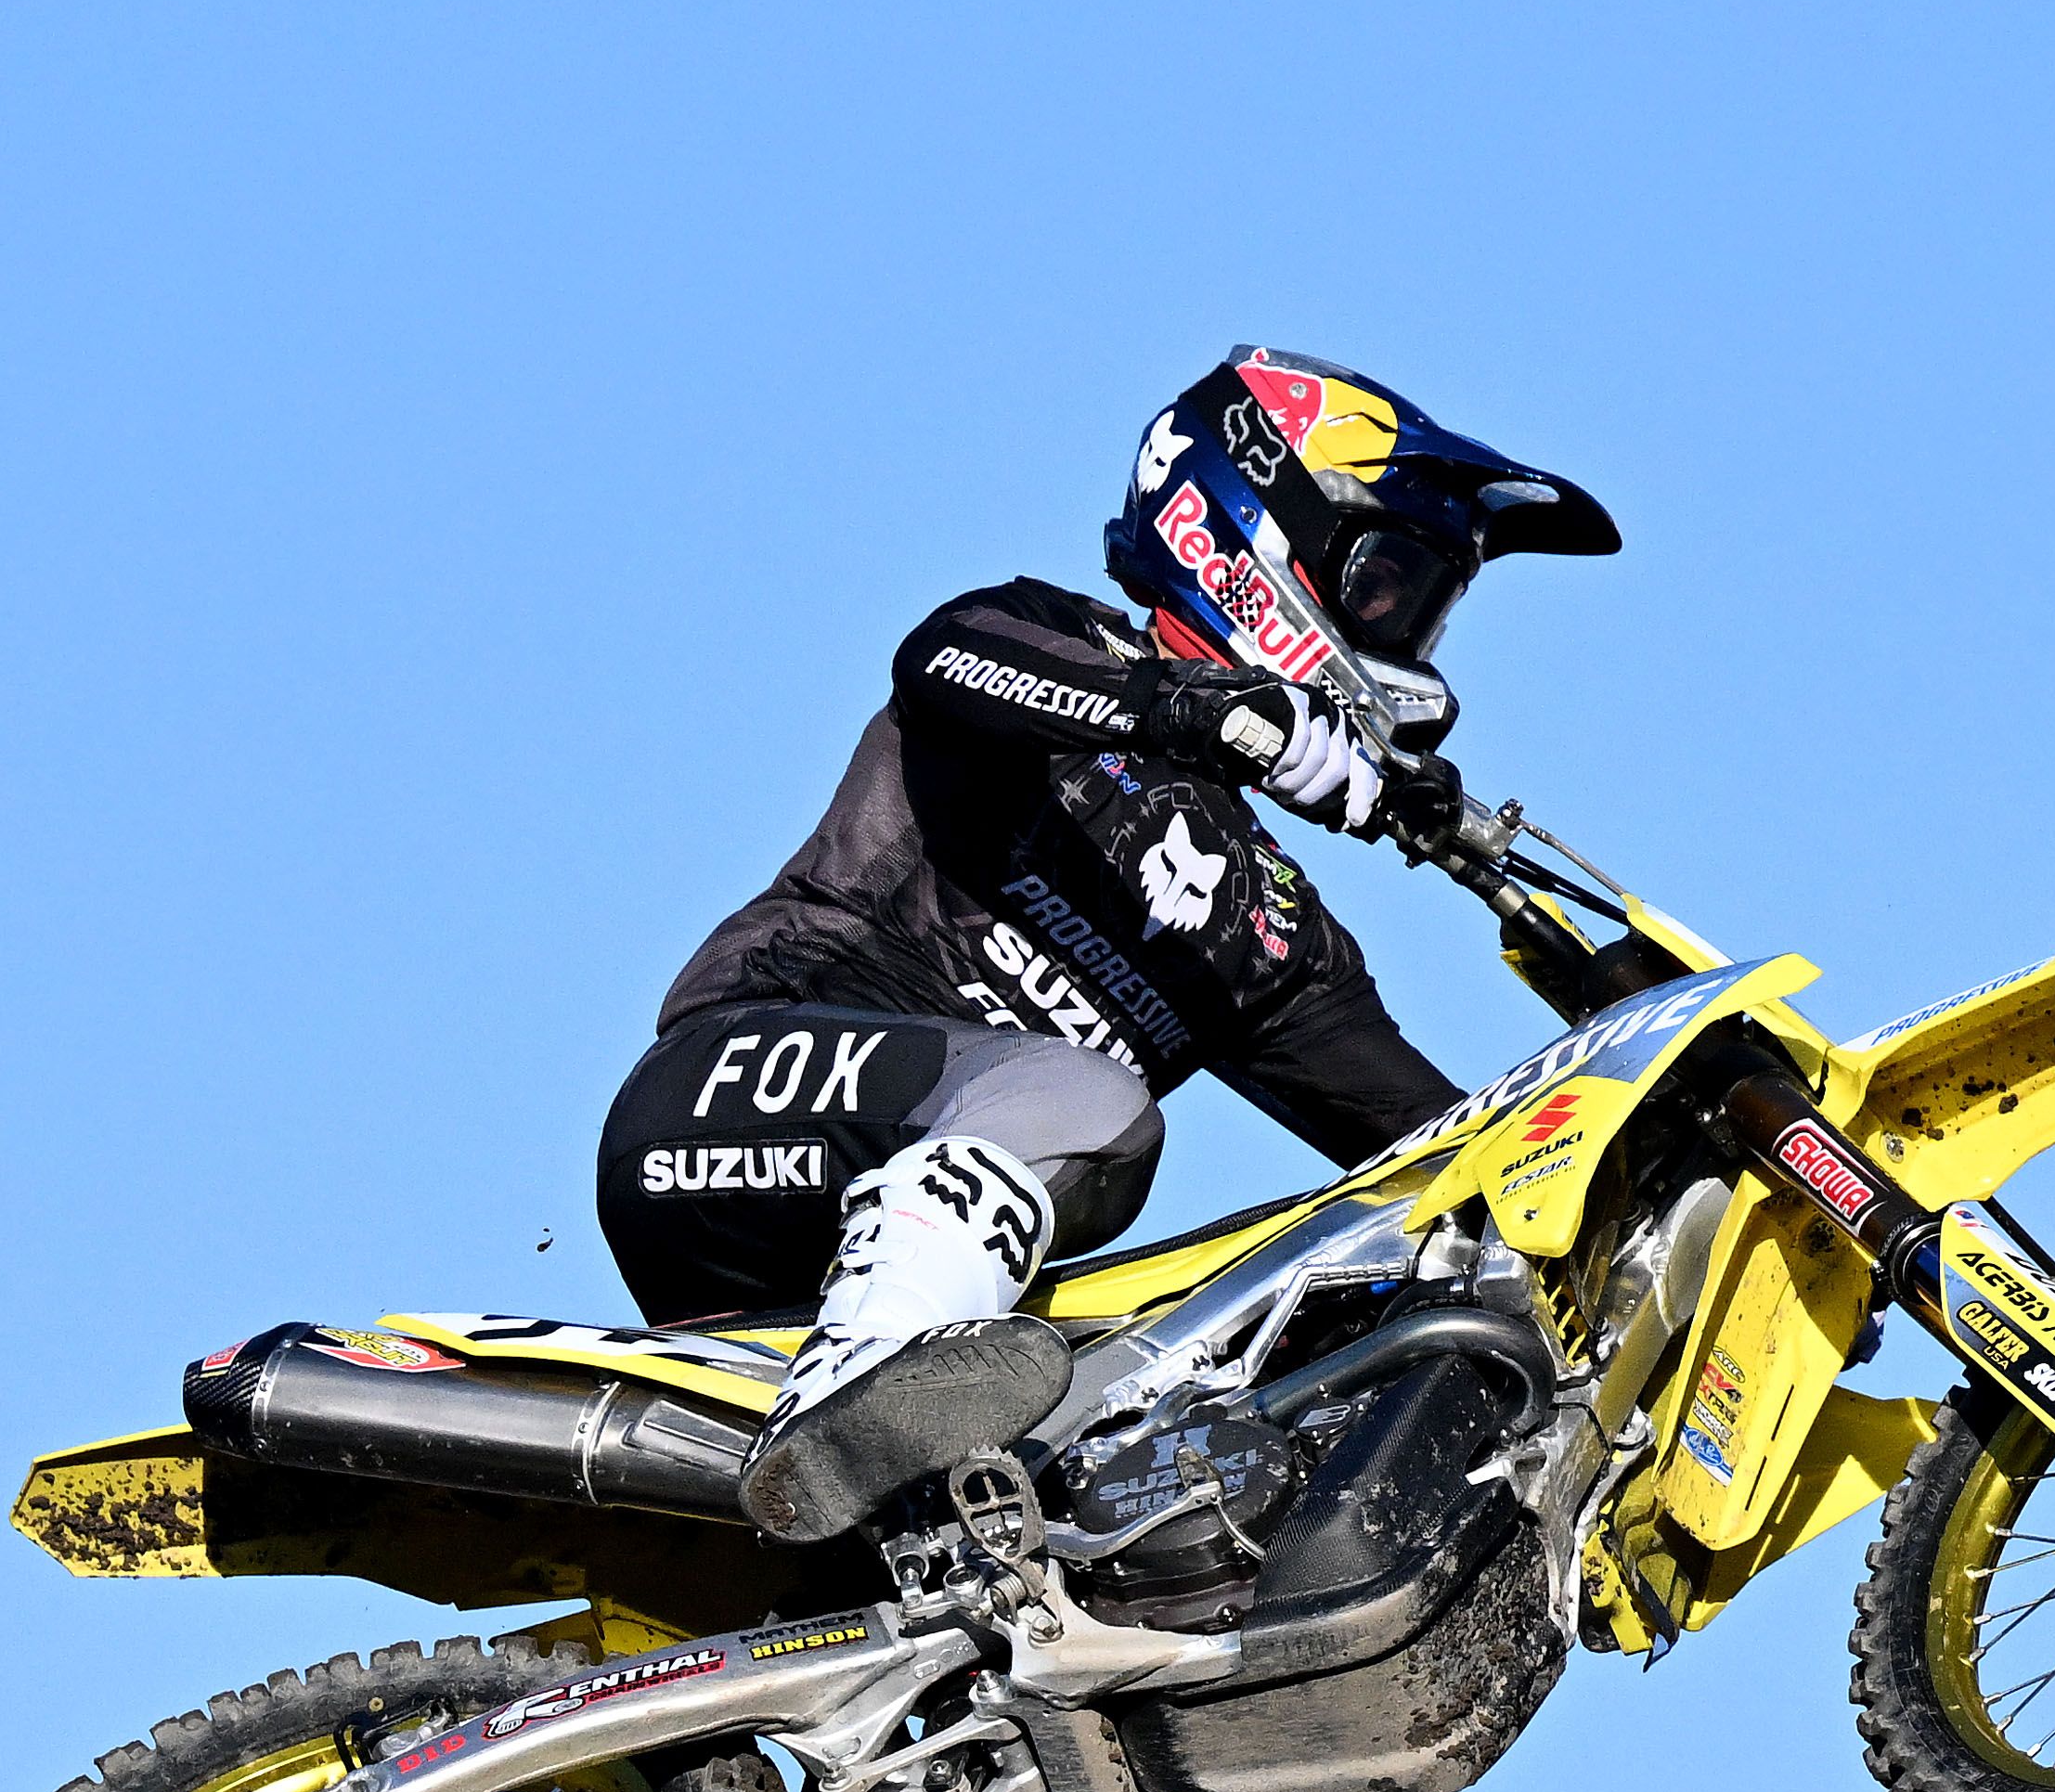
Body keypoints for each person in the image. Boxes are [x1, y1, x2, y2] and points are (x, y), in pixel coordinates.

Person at [596, 346, 1618, 1542]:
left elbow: (1450, 1153)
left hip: (941, 1254)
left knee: (1312, 1296)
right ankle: (850, 1397)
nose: (1407, 626)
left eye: (1430, 602)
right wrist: (1209, 713)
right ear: (1249, 533)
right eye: (1387, 579)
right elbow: (941, 661)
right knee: (1091, 1104)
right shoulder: (1034, 640)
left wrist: (1642, 1202)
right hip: (722, 1106)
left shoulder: (1267, 928)